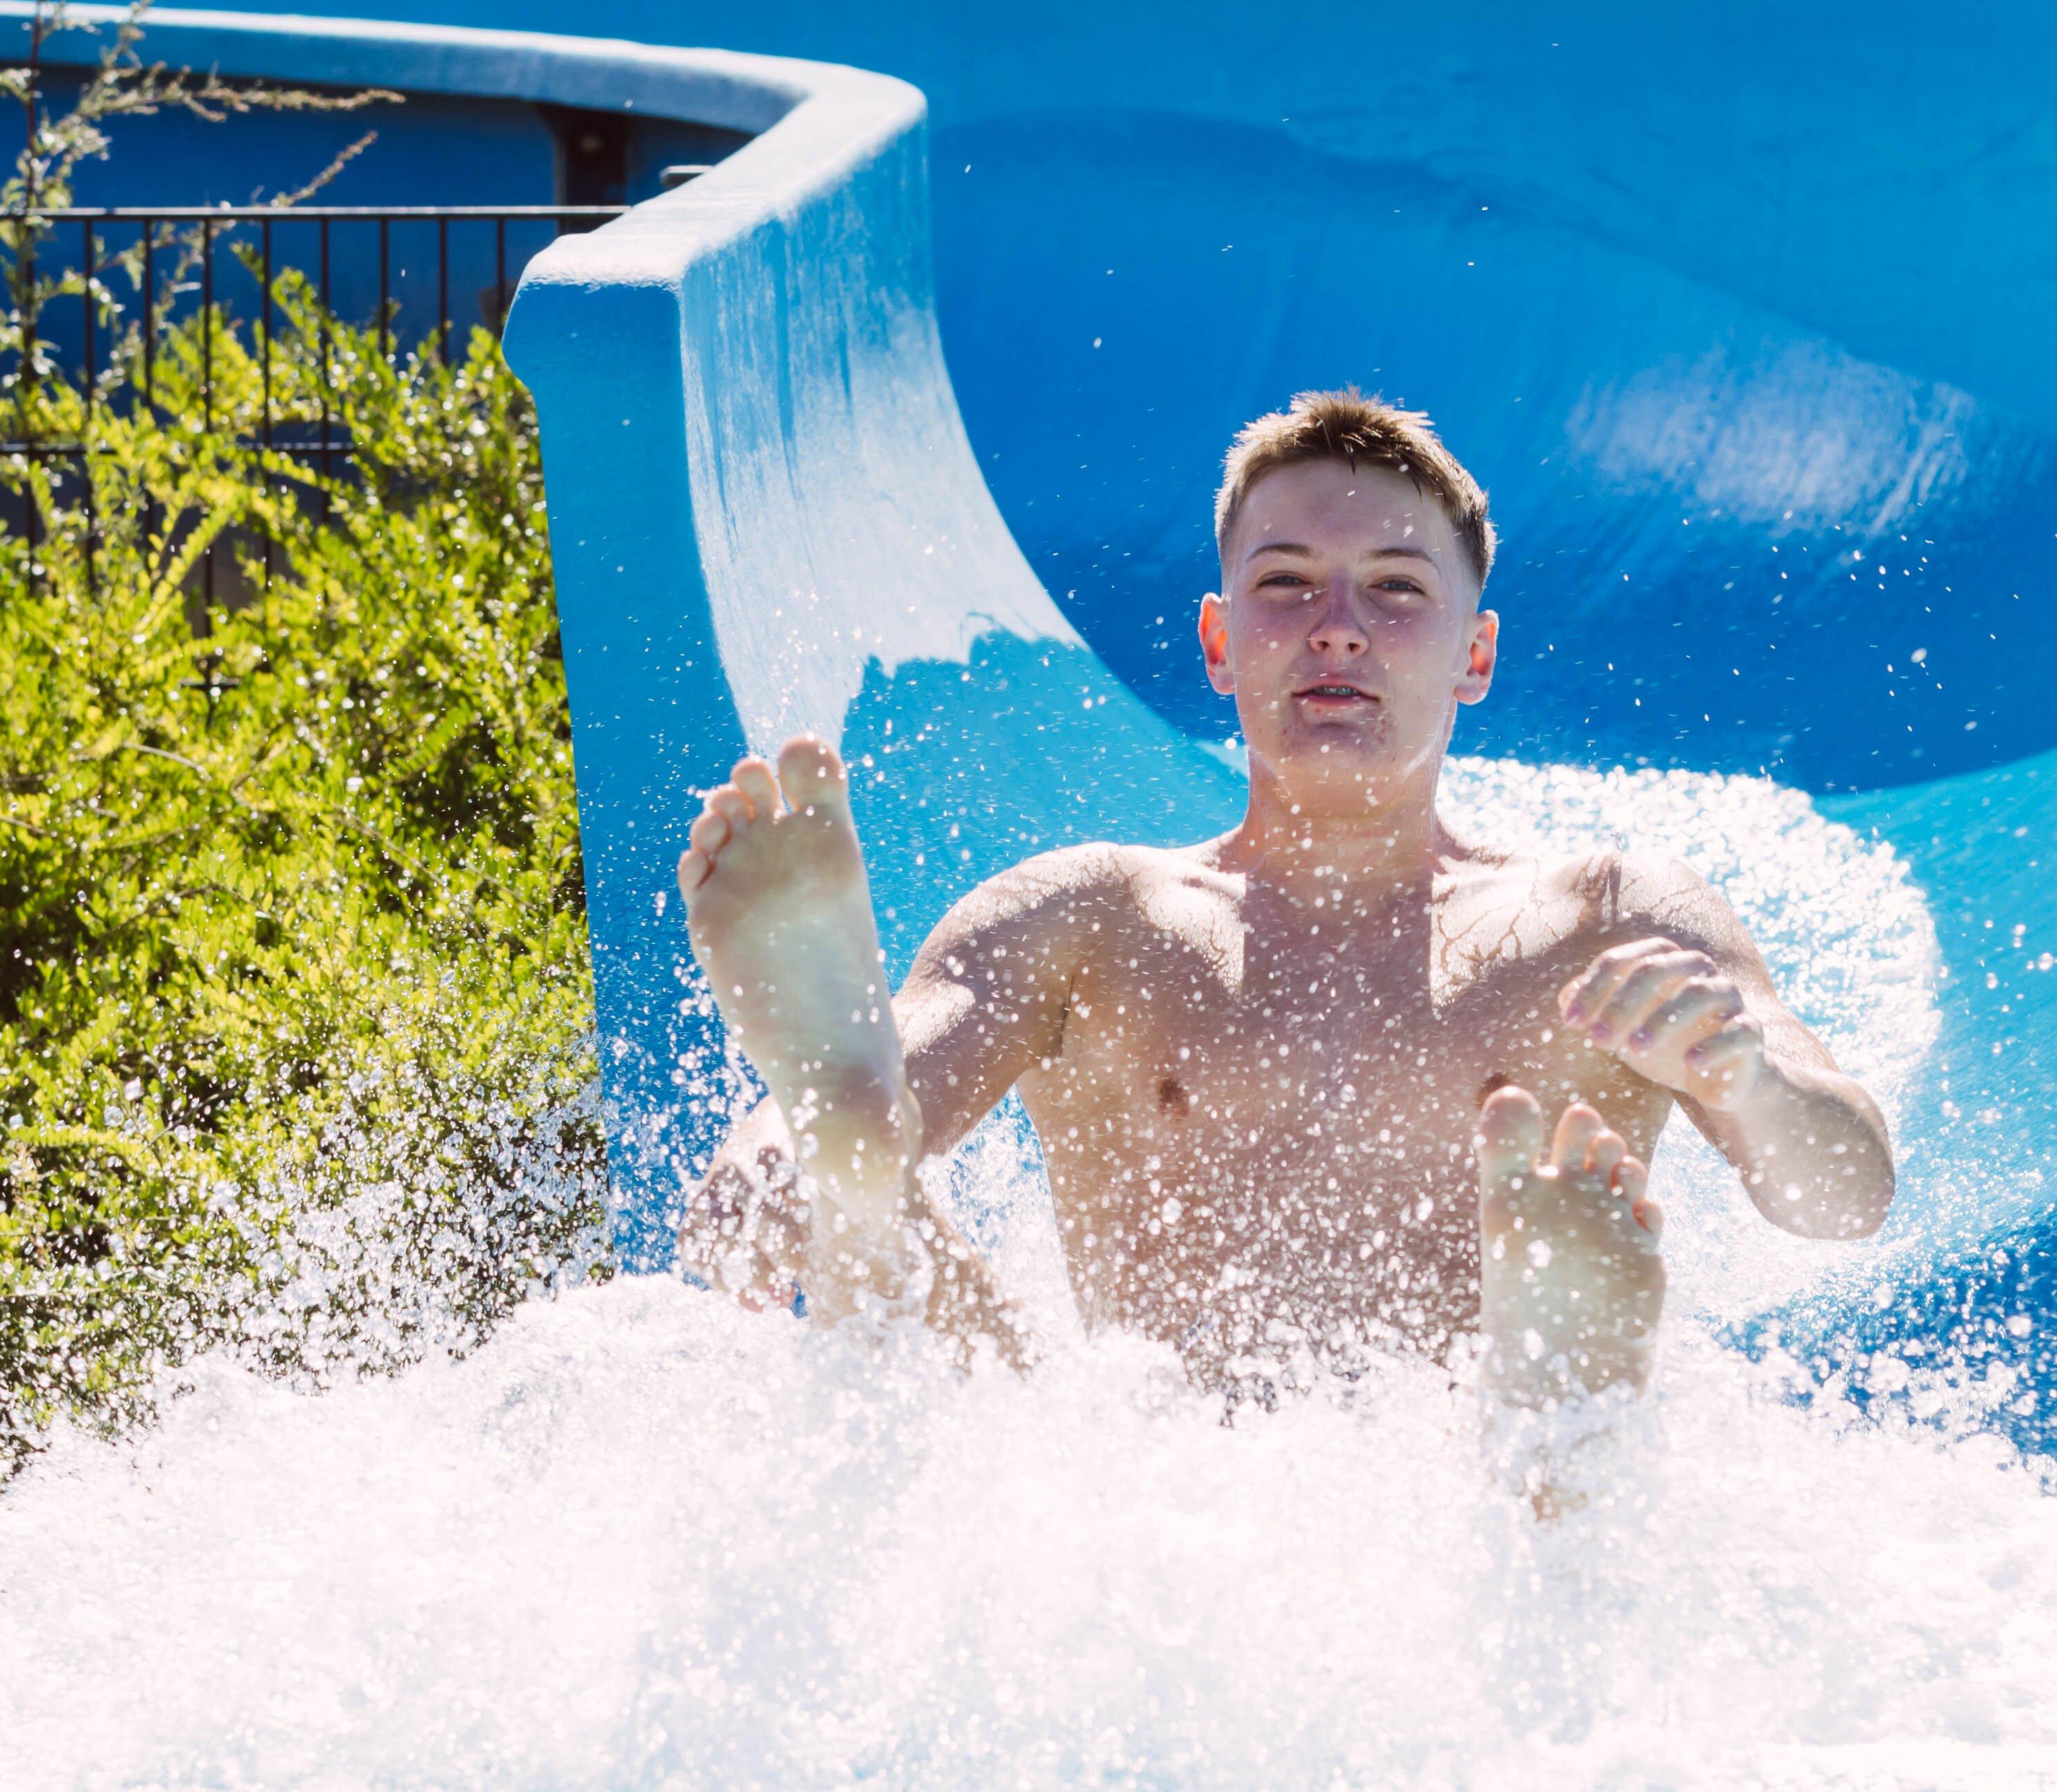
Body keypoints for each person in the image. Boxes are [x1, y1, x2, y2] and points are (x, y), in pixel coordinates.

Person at [671, 389, 1897, 1413]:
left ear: (1476, 653)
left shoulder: (1611, 918)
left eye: (1399, 589)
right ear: (1217, 640)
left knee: (1548, 1460)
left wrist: (1745, 1076)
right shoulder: (1091, 919)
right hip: (1159, 1534)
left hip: (1466, 1526)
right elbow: (851, 1126)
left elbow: (1844, 1194)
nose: (1338, 631)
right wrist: (776, 1162)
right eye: (1288, 583)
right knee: (876, 1180)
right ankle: (826, 1120)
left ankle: (1554, 1388)